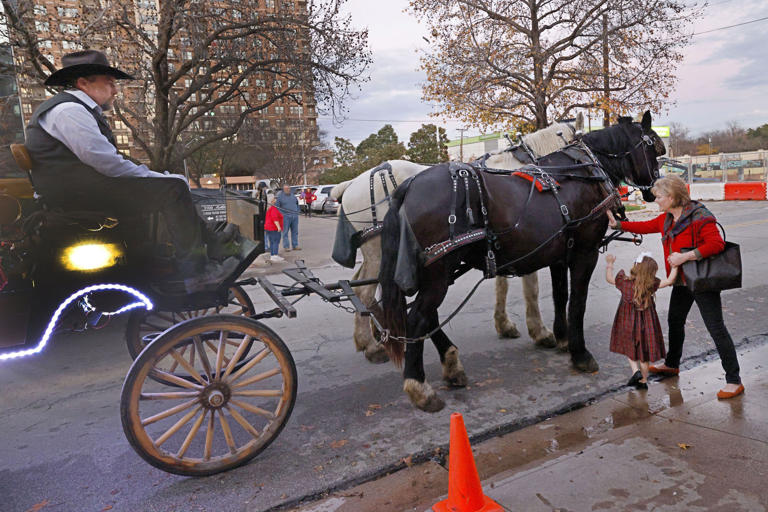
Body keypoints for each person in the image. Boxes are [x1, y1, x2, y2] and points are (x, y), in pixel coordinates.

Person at [24, 50, 238, 290]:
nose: (115, 91)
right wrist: (162, 180)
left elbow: (111, 159)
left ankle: (197, 248)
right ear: (83, 83)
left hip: (77, 190)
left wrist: (159, 178)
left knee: (172, 185)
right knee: (173, 190)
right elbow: (106, 162)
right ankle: (198, 272)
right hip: (76, 196)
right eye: (110, 83)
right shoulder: (69, 111)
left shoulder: (75, 110)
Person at [607, 175, 744, 399]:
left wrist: (685, 257)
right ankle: (672, 364)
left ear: (671, 197)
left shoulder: (700, 217)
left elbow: (716, 244)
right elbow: (645, 226)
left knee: (716, 328)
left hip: (700, 280)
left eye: (659, 196)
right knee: (675, 320)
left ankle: (733, 380)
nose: (656, 200)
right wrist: (618, 224)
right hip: (681, 281)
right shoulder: (667, 219)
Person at [605, 252, 678, 390]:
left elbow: (609, 279)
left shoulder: (624, 282)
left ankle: (635, 372)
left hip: (627, 321)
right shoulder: (651, 284)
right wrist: (675, 267)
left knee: (629, 347)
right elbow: (669, 281)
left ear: (635, 267)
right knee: (644, 355)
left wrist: (610, 264)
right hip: (647, 324)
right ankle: (643, 381)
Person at [276, 184, 300, 251]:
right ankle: (286, 246)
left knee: (295, 232)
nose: (288, 190)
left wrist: (297, 211)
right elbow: (277, 207)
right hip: (285, 217)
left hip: (294, 216)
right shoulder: (280, 197)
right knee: (285, 232)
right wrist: (282, 215)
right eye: (286, 189)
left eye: (288, 188)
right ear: (283, 190)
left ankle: (295, 245)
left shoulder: (293, 196)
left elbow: (297, 204)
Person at [264, 194, 284, 262]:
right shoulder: (274, 209)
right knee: (275, 241)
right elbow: (275, 218)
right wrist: (278, 227)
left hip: (268, 228)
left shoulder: (270, 208)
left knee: (272, 242)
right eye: (275, 199)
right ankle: (275, 255)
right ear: (273, 201)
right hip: (273, 228)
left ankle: (273, 255)